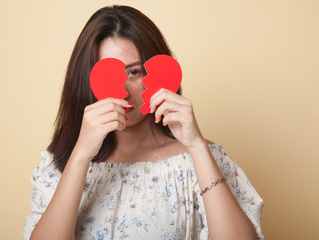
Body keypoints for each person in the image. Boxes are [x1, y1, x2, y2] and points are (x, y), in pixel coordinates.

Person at [24, 5, 264, 240]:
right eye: (108, 74)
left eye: (134, 73)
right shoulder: (59, 165)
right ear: (85, 81)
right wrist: (80, 155)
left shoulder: (202, 159)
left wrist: (196, 146)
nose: (124, 92)